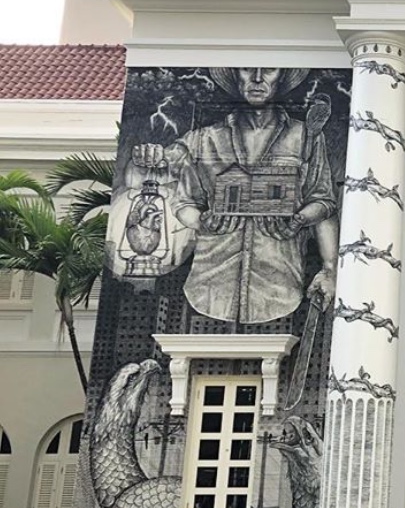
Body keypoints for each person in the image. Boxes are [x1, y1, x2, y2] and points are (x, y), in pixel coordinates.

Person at [130, 67, 337, 325]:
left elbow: (323, 203)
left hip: (279, 292)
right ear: (234, 77)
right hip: (208, 291)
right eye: (248, 69)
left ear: (281, 77)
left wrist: (305, 227)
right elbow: (183, 200)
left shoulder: (306, 137)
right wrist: (201, 220)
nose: (258, 78)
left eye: (269, 70)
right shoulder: (204, 139)